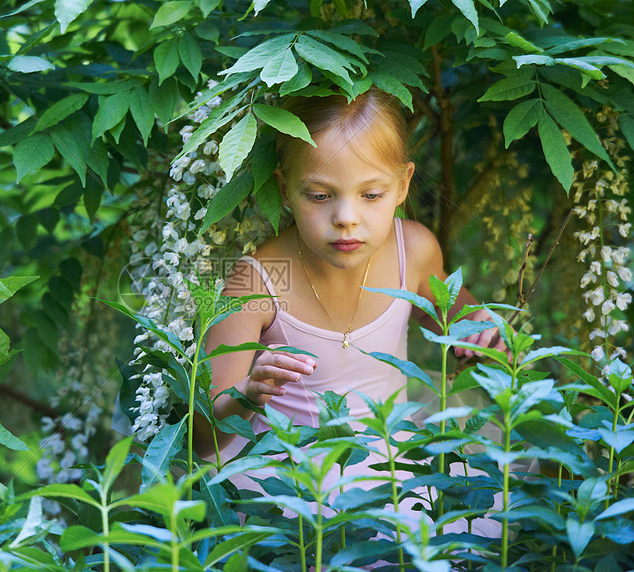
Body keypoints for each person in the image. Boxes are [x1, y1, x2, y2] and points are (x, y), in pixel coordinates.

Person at [191, 88, 506, 533]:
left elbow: (470, 321)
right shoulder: (262, 278)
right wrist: (247, 393)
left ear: (403, 186)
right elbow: (203, 439)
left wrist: (485, 333)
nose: (346, 217)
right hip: (288, 480)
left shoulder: (411, 251)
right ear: (286, 189)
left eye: (371, 194)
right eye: (319, 196)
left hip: (394, 473)